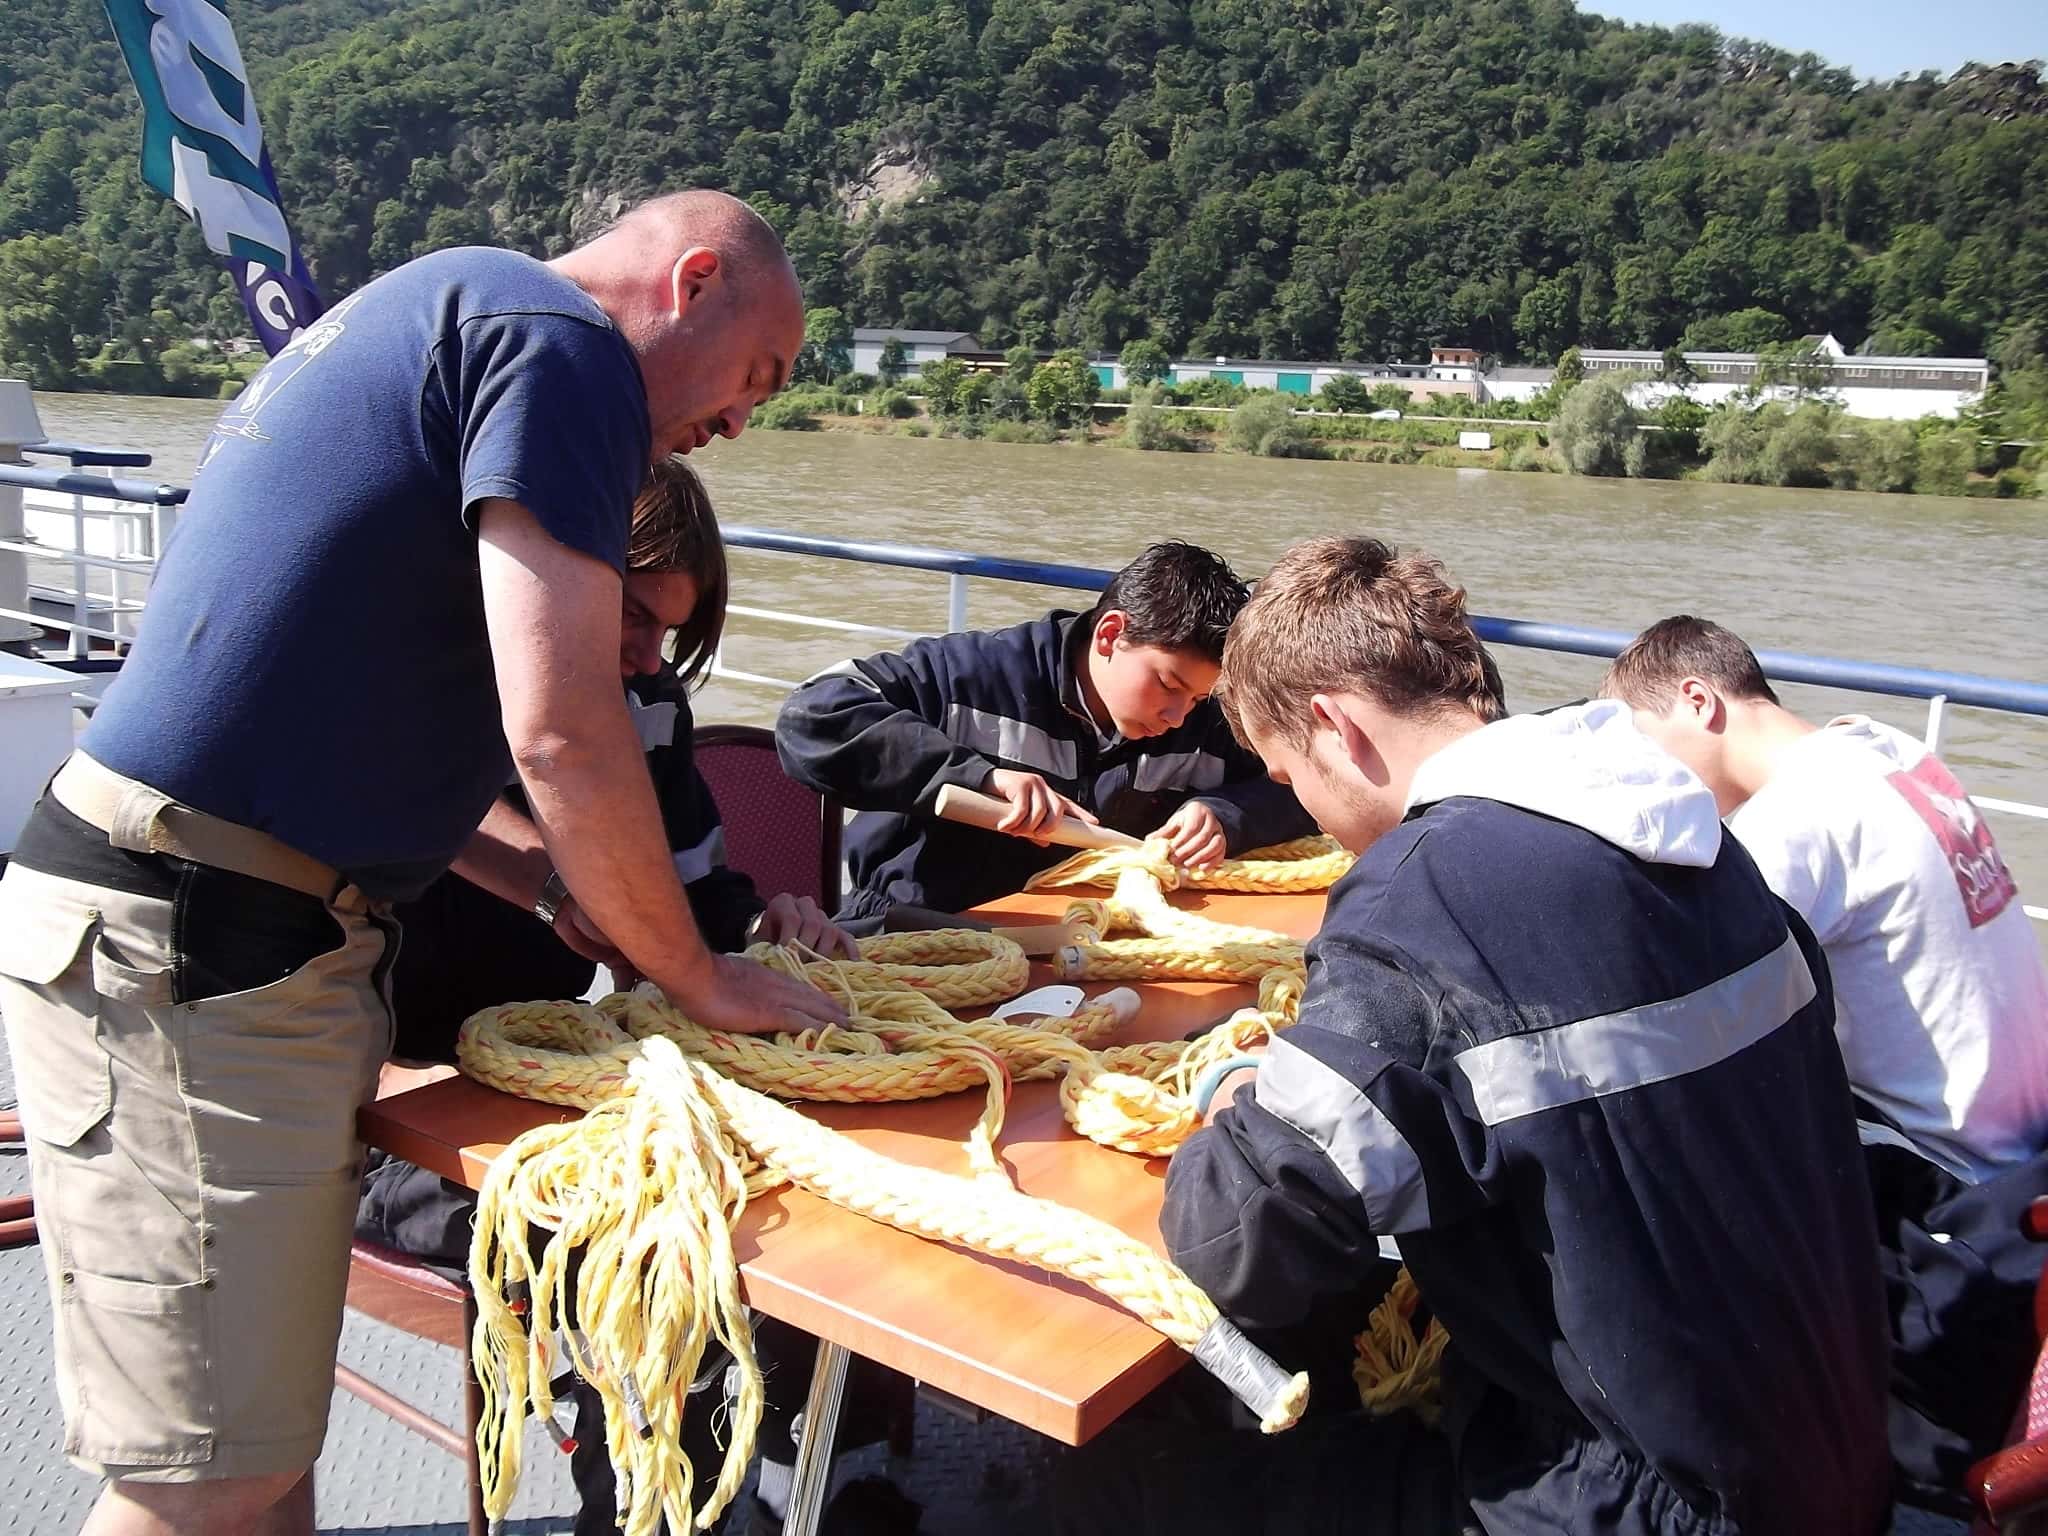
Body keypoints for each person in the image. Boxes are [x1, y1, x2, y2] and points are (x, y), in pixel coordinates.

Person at [0, 190, 845, 1536]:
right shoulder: (560, 345)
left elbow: (382, 753)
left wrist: (558, 894)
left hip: (231, 929)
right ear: (690, 282)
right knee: (197, 1479)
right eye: (758, 376)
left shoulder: (455, 312)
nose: (744, 421)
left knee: (257, 1453)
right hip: (199, 938)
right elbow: (564, 734)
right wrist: (699, 976)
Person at [1060, 537, 1893, 1535]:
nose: (1320, 823)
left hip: (1638, 1499)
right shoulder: (1706, 846)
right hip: (1828, 1455)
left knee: (1128, 1486)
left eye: (1290, 775)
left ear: (1333, 726)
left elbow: (1240, 1246)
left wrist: (1228, 1102)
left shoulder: (1422, 896)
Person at [355, 454, 874, 1536]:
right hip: (388, 1118)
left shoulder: (645, 703)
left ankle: (793, 1451)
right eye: (630, 616)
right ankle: (637, 1514)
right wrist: (405, 1080)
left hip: (547, 1088)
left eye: (663, 634)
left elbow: (691, 897)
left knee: (793, 1197)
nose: (643, 656)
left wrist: (765, 922)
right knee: (639, 1245)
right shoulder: (414, 694)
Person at [1601, 615, 2048, 1506]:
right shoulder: (1878, 750)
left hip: (1950, 1216)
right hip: (2025, 1158)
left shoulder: (1797, 819)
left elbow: (1662, 984)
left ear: (1700, 700)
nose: (1648, 780)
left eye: (1647, 748)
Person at [775, 540, 1314, 927]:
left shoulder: (1199, 721)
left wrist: (1227, 815)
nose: (1178, 716)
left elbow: (1303, 784)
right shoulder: (971, 677)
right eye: (1168, 684)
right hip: (916, 925)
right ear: (1110, 635)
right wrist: (979, 780)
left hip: (1085, 931)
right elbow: (814, 714)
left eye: (1198, 698)